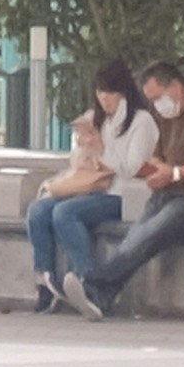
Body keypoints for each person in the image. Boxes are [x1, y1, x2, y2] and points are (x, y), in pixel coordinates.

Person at [79, 57, 184, 314]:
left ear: (175, 87)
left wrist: (176, 173)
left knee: (147, 233)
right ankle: (101, 296)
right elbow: (157, 156)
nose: (155, 105)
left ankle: (94, 282)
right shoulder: (163, 118)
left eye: (157, 97)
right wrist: (152, 170)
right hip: (166, 192)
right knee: (135, 237)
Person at [23, 59, 155, 319]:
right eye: (100, 93)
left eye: (111, 94)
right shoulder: (98, 119)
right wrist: (84, 147)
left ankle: (88, 281)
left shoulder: (142, 121)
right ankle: (46, 282)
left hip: (123, 194)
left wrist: (103, 148)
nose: (105, 100)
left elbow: (132, 169)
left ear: (124, 93)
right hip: (94, 188)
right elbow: (81, 167)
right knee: (39, 211)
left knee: (65, 213)